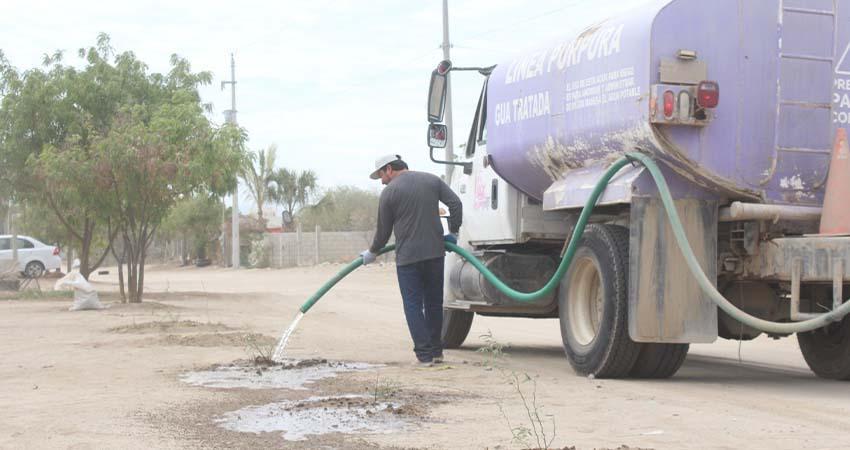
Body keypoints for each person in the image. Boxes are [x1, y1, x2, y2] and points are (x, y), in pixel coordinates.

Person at [360, 154, 462, 367]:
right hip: (435, 254)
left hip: (408, 259)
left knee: (413, 305)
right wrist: (454, 231)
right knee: (434, 303)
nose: (382, 181)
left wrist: (372, 251)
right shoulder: (432, 180)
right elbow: (455, 203)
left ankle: (424, 356)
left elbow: (383, 231)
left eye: (381, 175)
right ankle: (436, 352)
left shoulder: (390, 193)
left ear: (389, 169)